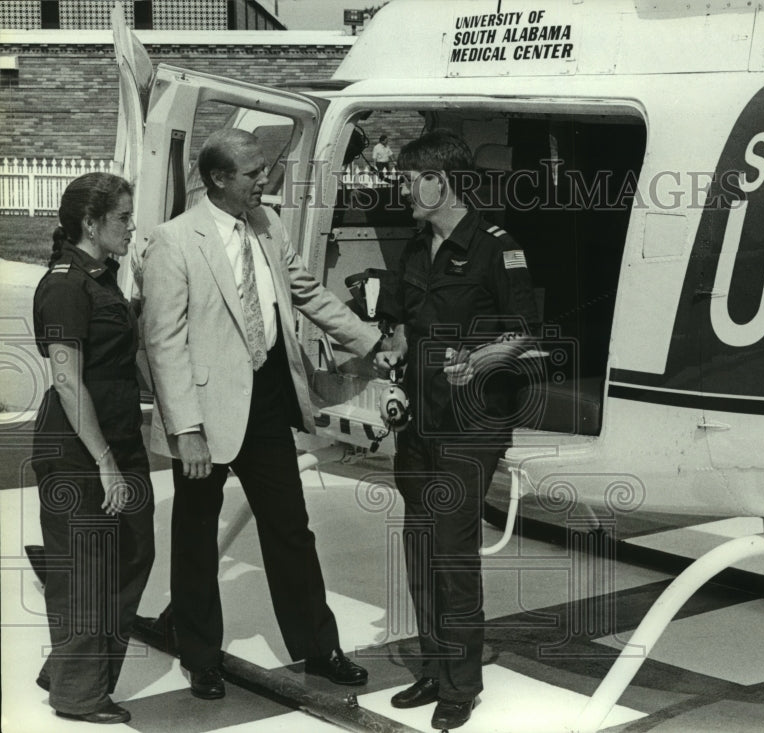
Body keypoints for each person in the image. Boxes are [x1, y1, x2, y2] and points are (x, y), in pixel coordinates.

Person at [142, 128, 384, 700]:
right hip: (203, 415)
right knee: (197, 537)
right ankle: (200, 656)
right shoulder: (174, 242)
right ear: (220, 178)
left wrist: (369, 341)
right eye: (253, 173)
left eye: (264, 170)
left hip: (268, 403)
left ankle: (318, 647)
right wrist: (187, 431)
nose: (266, 180)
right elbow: (164, 343)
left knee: (291, 532)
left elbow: (308, 294)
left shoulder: (268, 227)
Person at [375, 129, 540, 731]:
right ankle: (433, 668)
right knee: (420, 550)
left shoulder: (497, 248)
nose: (403, 190)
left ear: (439, 182)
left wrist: (482, 359)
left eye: (411, 179)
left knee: (452, 553)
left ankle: (460, 686)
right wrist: (388, 351)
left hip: (471, 428)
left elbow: (526, 333)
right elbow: (395, 325)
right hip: (419, 423)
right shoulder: (417, 248)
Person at [31, 172, 155, 725]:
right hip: (79, 453)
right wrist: (105, 463)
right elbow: (66, 379)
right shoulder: (65, 285)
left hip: (118, 443)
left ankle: (70, 667)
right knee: (86, 572)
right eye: (123, 218)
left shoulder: (102, 278)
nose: (132, 226)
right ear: (90, 222)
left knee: (131, 555)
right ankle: (79, 696)